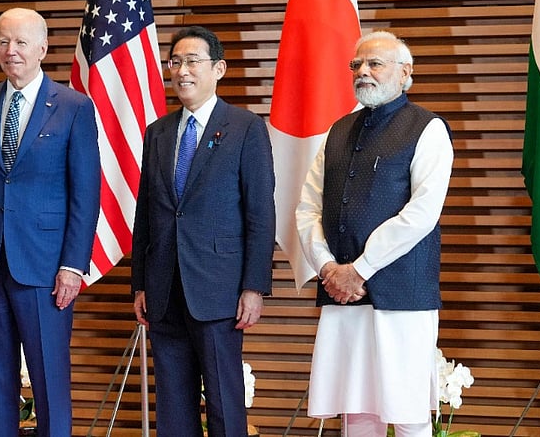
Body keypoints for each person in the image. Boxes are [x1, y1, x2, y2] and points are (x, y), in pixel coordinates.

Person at [0, 7, 101, 437]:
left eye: (19, 42)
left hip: (47, 267)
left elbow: (86, 195)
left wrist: (73, 265)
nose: (10, 51)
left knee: (49, 378)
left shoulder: (73, 108)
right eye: (2, 41)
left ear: (42, 48)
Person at [295, 31, 454, 436]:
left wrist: (360, 269)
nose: (363, 71)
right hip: (342, 293)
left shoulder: (428, 129)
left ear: (405, 73)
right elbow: (308, 207)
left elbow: (422, 214)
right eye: (356, 65)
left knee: (406, 413)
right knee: (356, 413)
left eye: (375, 64)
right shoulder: (338, 130)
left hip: (401, 298)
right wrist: (329, 268)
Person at [131, 26, 276, 437]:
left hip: (220, 290)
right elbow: (147, 214)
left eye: (192, 61)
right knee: (173, 407)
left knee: (223, 404)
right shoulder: (157, 132)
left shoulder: (245, 127)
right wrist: (140, 283)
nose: (182, 71)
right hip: (163, 289)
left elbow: (261, 214)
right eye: (175, 62)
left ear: (218, 69)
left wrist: (254, 286)